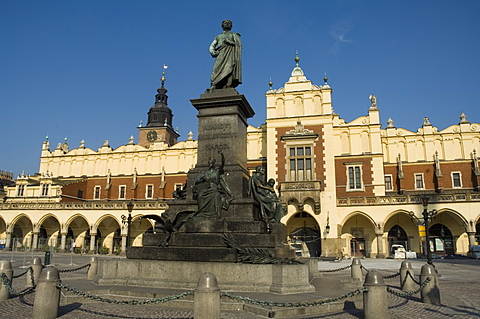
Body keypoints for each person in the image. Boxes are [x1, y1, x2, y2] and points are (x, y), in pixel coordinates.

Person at [193, 152, 232, 219]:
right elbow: (196, 181)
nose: (210, 164)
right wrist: (200, 180)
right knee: (200, 195)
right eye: (209, 163)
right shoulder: (205, 173)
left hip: (215, 188)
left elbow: (222, 164)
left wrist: (222, 155)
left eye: (211, 163)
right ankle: (202, 212)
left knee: (216, 195)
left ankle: (215, 214)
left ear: (214, 163)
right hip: (207, 189)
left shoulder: (217, 171)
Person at [209, 20, 242, 90]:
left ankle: (228, 84)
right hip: (220, 55)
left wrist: (229, 42)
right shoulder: (218, 36)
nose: (227, 24)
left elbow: (238, 45)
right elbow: (212, 45)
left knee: (229, 68)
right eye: (225, 23)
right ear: (222, 26)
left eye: (229, 23)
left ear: (231, 26)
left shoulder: (234, 35)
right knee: (215, 69)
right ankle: (214, 84)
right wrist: (212, 51)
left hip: (230, 55)